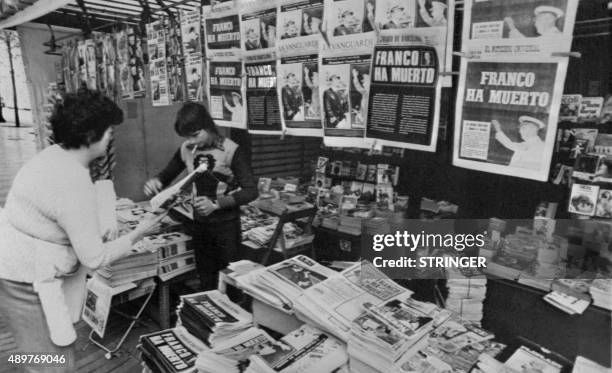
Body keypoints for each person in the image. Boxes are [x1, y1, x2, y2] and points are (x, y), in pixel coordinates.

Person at [0, 89, 161, 372]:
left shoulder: (53, 155)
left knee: (34, 352)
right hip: (29, 280)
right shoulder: (72, 181)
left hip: (16, 266)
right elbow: (95, 259)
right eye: (109, 130)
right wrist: (139, 233)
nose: (111, 137)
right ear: (91, 135)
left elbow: (57, 218)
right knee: (54, 362)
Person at [143, 102, 257, 290]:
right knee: (206, 277)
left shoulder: (231, 150)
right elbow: (168, 173)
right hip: (199, 224)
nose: (192, 141)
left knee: (231, 277)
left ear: (208, 126)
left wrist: (217, 204)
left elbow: (251, 190)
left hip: (226, 225)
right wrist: (157, 181)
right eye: (186, 137)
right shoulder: (186, 148)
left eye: (195, 135)